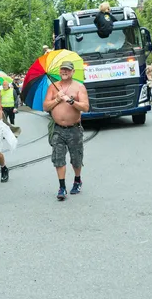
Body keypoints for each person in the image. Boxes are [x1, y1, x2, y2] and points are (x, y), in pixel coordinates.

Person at [42, 61, 90, 200]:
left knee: (76, 158)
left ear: (73, 72)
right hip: (58, 129)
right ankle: (62, 187)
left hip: (74, 129)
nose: (64, 72)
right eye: (62, 70)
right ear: (59, 72)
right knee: (58, 158)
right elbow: (46, 106)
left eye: (67, 70)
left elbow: (85, 107)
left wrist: (71, 101)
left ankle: (77, 180)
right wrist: (57, 99)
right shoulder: (53, 87)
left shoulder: (79, 87)